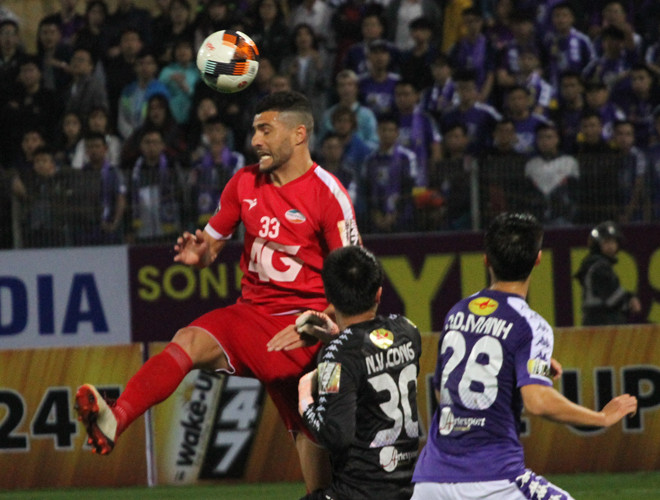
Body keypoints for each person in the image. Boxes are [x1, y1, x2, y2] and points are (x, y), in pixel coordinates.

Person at [74, 91, 361, 493]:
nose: (255, 140)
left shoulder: (328, 194)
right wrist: (201, 253)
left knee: (311, 443)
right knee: (187, 340)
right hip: (252, 316)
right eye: (254, 131)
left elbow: (357, 285)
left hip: (303, 327)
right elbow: (211, 242)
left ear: (299, 134)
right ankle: (114, 419)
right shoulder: (244, 182)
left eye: (266, 130)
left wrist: (319, 324)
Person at [412, 212, 638, 500]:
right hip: (493, 480)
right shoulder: (530, 324)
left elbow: (444, 389)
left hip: (430, 481)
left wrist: (532, 369)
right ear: (538, 259)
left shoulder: (457, 312)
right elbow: (538, 401)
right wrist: (601, 417)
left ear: (486, 260)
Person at [298, 245, 421, 500]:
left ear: (329, 296)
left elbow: (336, 435)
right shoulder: (408, 331)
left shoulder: (335, 356)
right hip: (407, 489)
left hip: (358, 493)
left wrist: (304, 400)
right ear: (379, 293)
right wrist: (339, 337)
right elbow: (370, 355)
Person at [575, 220, 642, 326]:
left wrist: (628, 298)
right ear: (597, 245)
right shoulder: (598, 267)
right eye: (606, 242)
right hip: (600, 325)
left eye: (613, 242)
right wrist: (630, 301)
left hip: (598, 325)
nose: (611, 246)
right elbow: (613, 299)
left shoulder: (597, 265)